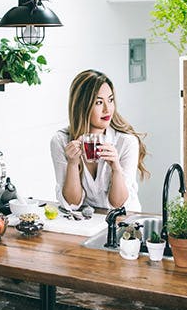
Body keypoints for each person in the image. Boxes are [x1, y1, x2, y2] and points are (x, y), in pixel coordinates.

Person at [50, 69, 148, 212]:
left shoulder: (126, 142)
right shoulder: (61, 141)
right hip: (89, 223)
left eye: (110, 100)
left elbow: (118, 204)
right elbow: (72, 204)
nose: (107, 109)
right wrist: (72, 164)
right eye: (98, 102)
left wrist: (116, 167)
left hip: (125, 222)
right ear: (82, 106)